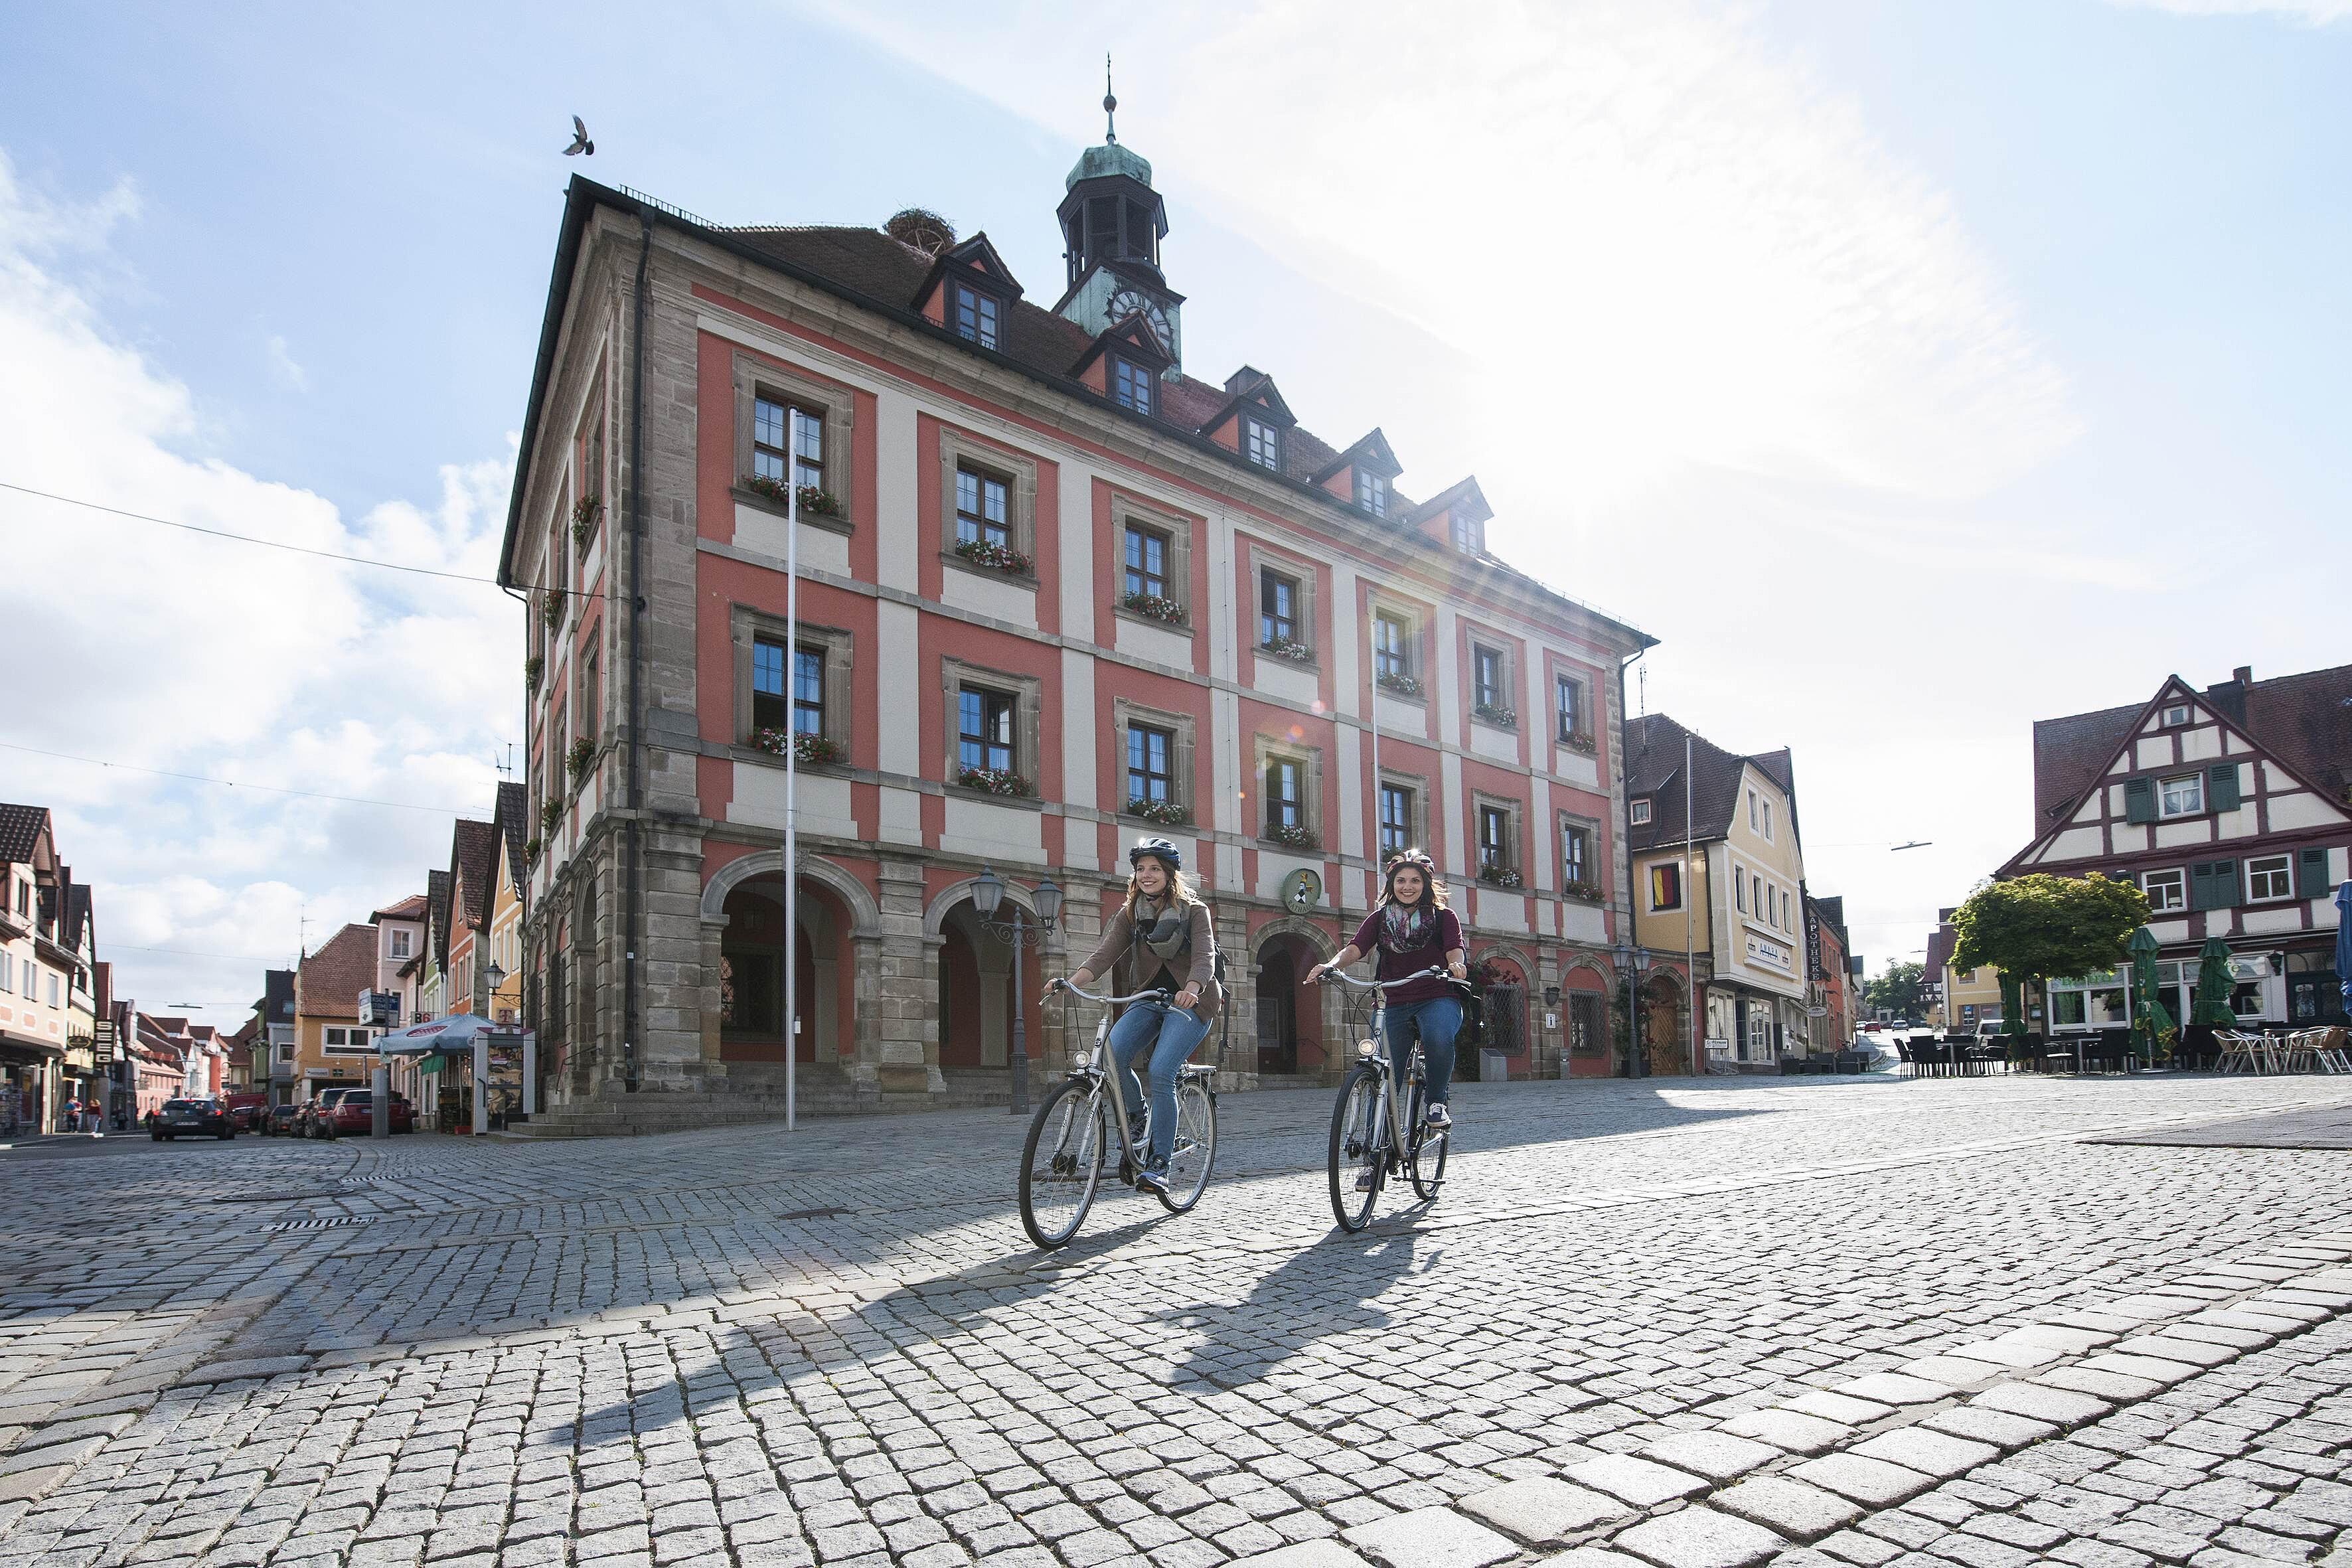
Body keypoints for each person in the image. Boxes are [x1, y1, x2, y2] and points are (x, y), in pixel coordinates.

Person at [1050, 838, 1222, 1194]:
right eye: (1141, 869)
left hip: (1191, 1003)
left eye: (1155, 869)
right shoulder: (1130, 913)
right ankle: (1137, 1116)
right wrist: (1070, 982)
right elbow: (1104, 955)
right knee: (1111, 1056)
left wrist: (1192, 988)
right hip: (1147, 998)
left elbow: (1204, 957)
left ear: (1170, 874)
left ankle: (1160, 1163)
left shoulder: (1194, 911)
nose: (1147, 875)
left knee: (1161, 1071)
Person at [1307, 848, 1469, 1150]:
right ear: (1392, 884)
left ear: (1426, 884)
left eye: (1415, 881)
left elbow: (1454, 949)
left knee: (1437, 1037)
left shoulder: (1444, 917)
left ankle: (1436, 1102)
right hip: (1393, 1001)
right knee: (1383, 1076)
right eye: (1401, 880)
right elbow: (1355, 949)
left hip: (1437, 996)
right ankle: (1374, 1155)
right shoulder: (1380, 919)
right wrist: (1330, 964)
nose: (1407, 886)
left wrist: (1456, 965)